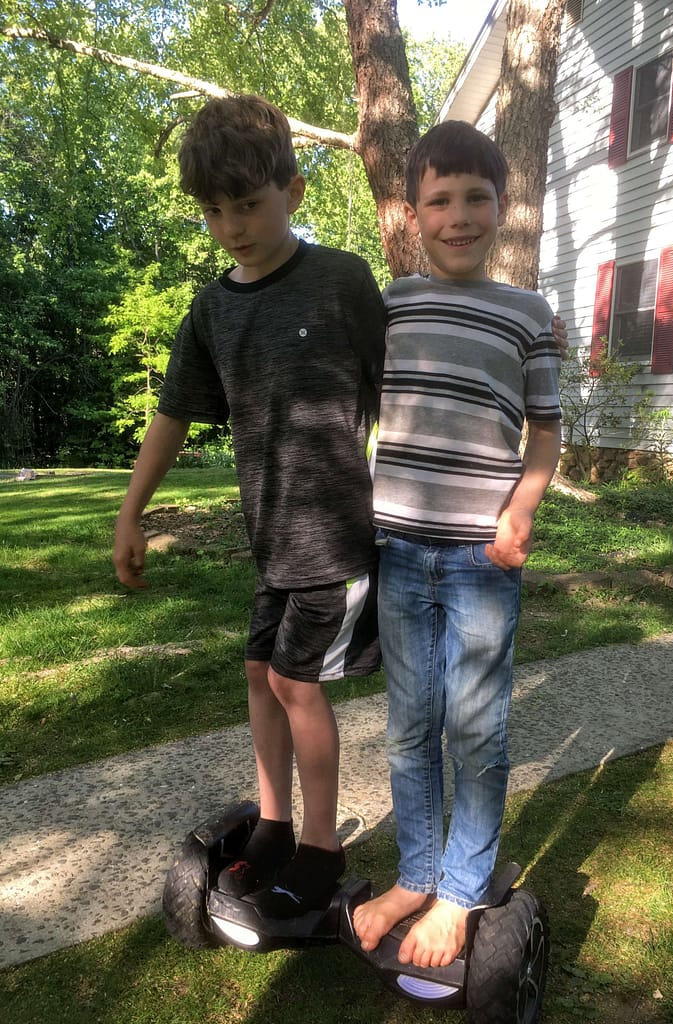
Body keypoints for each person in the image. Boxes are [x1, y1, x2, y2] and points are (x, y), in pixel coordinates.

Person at [112, 94, 386, 918]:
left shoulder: (341, 280)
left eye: (248, 205)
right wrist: (131, 512)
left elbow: (398, 390)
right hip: (272, 543)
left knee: (297, 683)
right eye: (214, 211)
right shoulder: (211, 309)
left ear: (293, 191)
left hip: (336, 539)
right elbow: (172, 415)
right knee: (259, 677)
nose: (231, 227)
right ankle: (273, 826)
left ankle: (322, 850)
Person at [353, 120, 563, 969]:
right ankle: (416, 875)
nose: (459, 216)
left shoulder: (529, 314)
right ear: (412, 214)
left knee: (475, 733)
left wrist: (523, 510)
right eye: (440, 200)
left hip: (483, 560)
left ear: (503, 207)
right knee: (410, 730)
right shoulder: (389, 305)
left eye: (478, 198)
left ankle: (462, 891)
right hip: (398, 552)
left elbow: (544, 431)